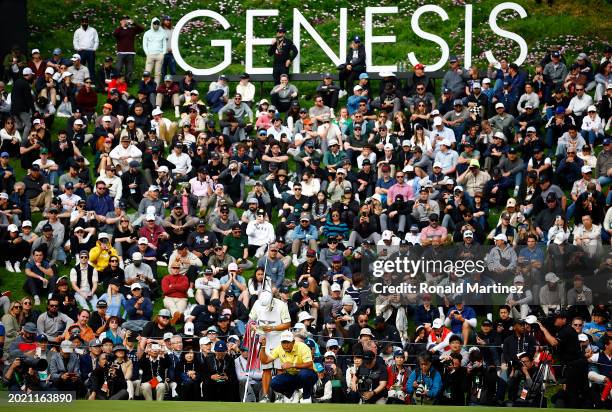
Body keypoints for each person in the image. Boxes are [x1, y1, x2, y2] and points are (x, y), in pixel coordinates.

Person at [259, 330, 318, 403]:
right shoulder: (279, 348)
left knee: (304, 374)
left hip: (310, 375)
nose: (286, 345)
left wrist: (292, 364)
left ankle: (306, 397)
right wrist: (263, 346)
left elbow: (309, 365)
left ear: (293, 342)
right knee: (274, 383)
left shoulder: (303, 346)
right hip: (292, 375)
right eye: (284, 342)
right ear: (281, 343)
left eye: (288, 342)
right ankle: (294, 392)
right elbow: (265, 361)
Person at [114, 15, 145, 84]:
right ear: (121, 21)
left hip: (130, 52)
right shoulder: (119, 29)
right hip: (121, 53)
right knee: (118, 68)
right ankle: (116, 82)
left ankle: (127, 83)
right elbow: (115, 34)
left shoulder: (132, 29)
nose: (125, 21)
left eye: (127, 20)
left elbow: (142, 29)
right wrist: (121, 26)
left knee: (129, 70)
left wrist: (134, 23)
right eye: (124, 19)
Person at [143, 18, 167, 86]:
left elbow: (164, 44)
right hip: (150, 54)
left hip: (159, 55)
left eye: (157, 23)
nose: (156, 25)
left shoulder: (162, 33)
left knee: (158, 73)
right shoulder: (147, 33)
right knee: (147, 72)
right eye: (155, 23)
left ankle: (155, 88)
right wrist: (147, 53)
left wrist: (163, 53)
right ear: (152, 24)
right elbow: (144, 44)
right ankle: (144, 86)